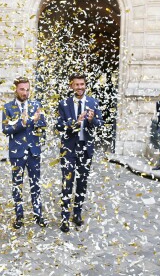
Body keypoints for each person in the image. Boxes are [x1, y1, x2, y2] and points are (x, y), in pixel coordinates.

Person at [56, 74, 103, 233]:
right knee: (67, 184)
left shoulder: (93, 102)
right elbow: (59, 126)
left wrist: (91, 120)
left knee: (82, 184)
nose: (80, 87)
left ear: (85, 85)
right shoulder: (63, 103)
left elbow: (100, 123)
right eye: (76, 84)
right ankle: (64, 218)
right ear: (71, 86)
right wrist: (74, 123)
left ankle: (77, 214)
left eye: (82, 84)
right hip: (69, 149)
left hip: (85, 148)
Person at [2, 77, 47, 229]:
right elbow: (6, 130)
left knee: (36, 184)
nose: (25, 92)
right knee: (17, 185)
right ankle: (19, 216)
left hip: (34, 151)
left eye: (27, 89)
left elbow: (43, 124)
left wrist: (36, 121)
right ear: (16, 89)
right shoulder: (8, 107)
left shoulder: (36, 105)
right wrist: (23, 123)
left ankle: (38, 214)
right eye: (22, 89)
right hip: (17, 153)